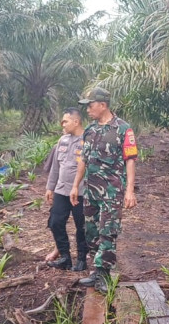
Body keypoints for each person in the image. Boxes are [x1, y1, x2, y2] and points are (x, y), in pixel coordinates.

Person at [70, 88, 137, 292]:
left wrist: (130, 191)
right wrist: (75, 185)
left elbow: (130, 160)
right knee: (90, 231)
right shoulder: (90, 130)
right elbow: (83, 159)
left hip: (111, 190)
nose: (88, 109)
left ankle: (104, 273)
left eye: (91, 105)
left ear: (103, 105)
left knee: (108, 231)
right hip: (91, 190)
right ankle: (97, 271)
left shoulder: (123, 129)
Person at [44, 108, 88, 271]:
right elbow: (56, 167)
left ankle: (82, 259)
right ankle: (65, 257)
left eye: (65, 121)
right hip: (61, 190)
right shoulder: (62, 141)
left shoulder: (87, 141)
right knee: (55, 222)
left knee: (81, 226)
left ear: (76, 122)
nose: (62, 124)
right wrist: (50, 187)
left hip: (81, 192)